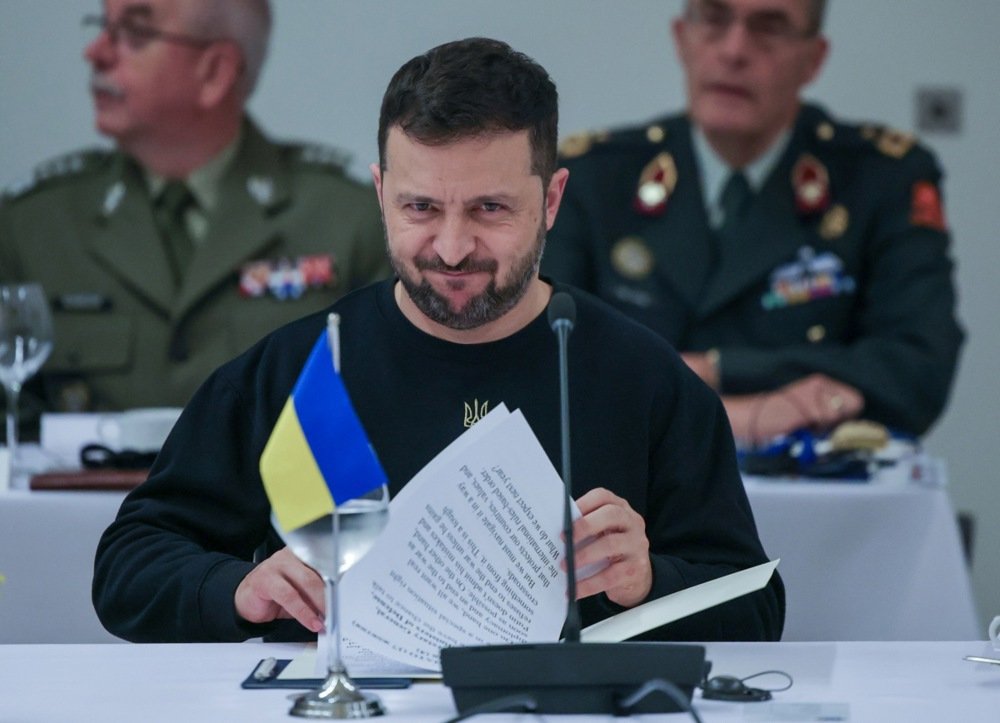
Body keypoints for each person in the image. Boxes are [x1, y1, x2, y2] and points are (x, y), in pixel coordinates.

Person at [93, 37, 784, 644]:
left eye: (490, 208)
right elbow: (128, 563)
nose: (452, 249)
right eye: (420, 207)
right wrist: (237, 589)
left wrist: (650, 580)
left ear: (551, 200)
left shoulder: (645, 378)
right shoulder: (300, 367)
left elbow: (758, 604)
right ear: (380, 191)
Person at [541, 0, 964, 444]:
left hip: (818, 499)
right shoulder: (596, 177)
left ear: (813, 60)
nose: (734, 50)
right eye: (714, 18)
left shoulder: (881, 179)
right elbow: (550, 362)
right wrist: (747, 415)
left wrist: (717, 369)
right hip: (631, 493)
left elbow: (919, 369)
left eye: (770, 27)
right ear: (682, 38)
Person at [0, 0, 388, 415]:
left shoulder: (351, 217)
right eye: (102, 26)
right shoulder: (31, 223)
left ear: (215, 71)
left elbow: (390, 408)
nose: (95, 52)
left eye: (135, 33)